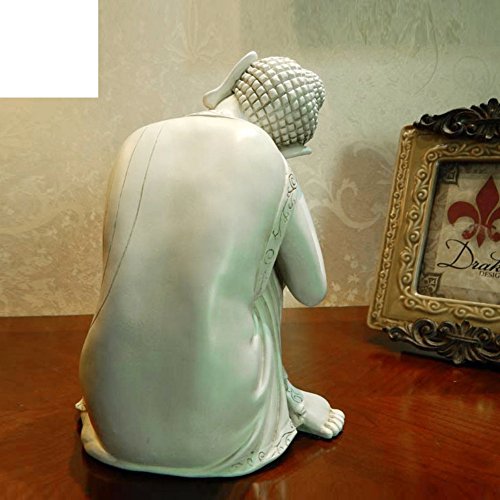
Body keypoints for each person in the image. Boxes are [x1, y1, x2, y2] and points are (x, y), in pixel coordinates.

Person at [77, 52, 345, 477]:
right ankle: (285, 399)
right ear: (291, 144)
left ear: (230, 85)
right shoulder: (268, 158)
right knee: (257, 268)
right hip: (218, 428)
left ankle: (132, 395)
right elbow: (312, 290)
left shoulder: (137, 139)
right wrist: (280, 182)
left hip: (110, 408)